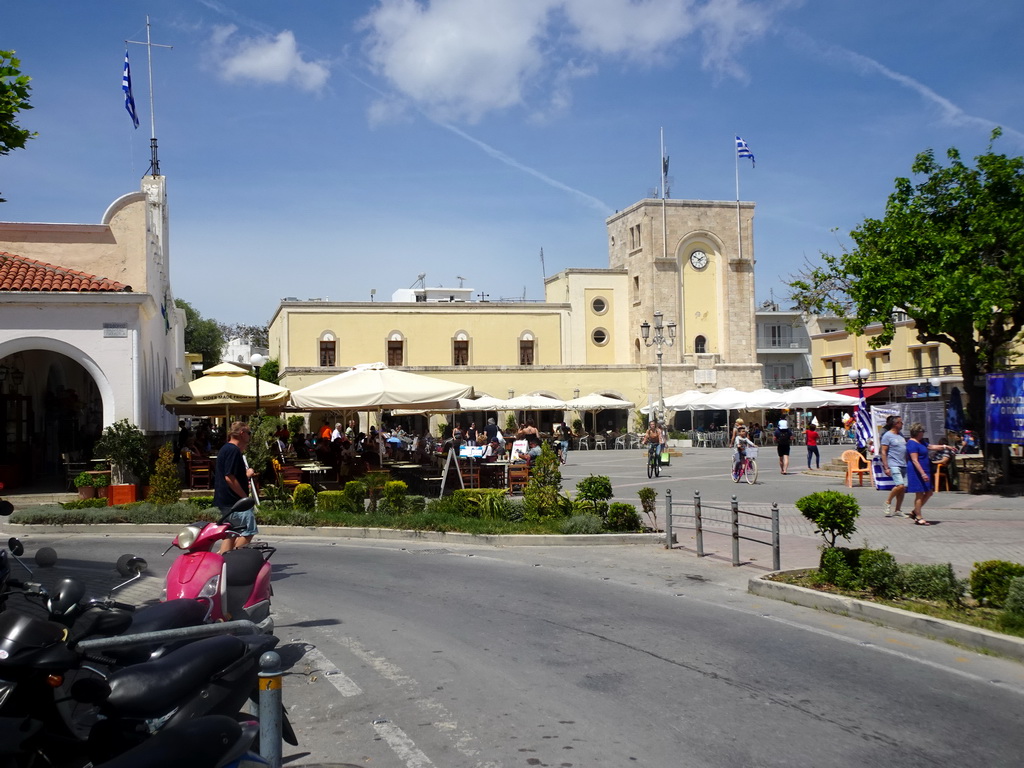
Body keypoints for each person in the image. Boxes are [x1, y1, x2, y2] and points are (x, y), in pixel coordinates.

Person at [213, 422, 257, 553]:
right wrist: (244, 498)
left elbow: (230, 474)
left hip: (225, 500)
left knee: (231, 533)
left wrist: (246, 475)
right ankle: (233, 557)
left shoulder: (226, 449)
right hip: (235, 501)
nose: (250, 436)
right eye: (249, 433)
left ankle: (221, 559)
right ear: (242, 433)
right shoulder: (233, 450)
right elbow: (229, 477)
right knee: (248, 531)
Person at [906, 423, 939, 525]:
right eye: (922, 432)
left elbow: (931, 446)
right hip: (917, 472)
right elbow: (915, 460)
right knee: (919, 494)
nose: (923, 434)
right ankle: (918, 517)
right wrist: (922, 474)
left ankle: (915, 511)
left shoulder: (921, 442)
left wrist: (946, 447)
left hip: (925, 470)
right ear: (917, 432)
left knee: (929, 492)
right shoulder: (912, 444)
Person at [880, 415, 907, 517]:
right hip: (894, 464)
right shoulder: (887, 435)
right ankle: (888, 502)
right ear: (896, 424)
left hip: (903, 463)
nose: (902, 424)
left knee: (903, 488)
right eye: (900, 422)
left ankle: (898, 509)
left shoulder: (900, 435)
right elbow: (883, 452)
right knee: (899, 485)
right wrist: (886, 467)